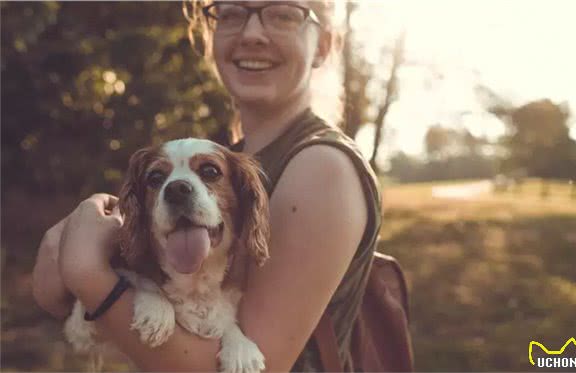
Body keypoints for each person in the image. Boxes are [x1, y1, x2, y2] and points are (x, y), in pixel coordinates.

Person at [32, 1, 381, 371]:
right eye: (231, 13)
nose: (252, 34)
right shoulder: (221, 161)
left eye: (282, 13)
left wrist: (86, 273)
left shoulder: (321, 166)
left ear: (324, 44)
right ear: (209, 34)